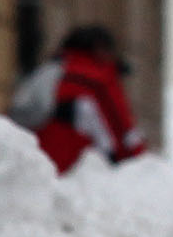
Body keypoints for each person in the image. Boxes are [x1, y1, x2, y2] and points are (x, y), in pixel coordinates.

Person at [24, 25, 150, 175]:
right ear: (99, 49)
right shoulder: (99, 78)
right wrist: (141, 165)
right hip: (77, 169)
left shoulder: (49, 71)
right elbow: (122, 127)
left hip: (37, 165)